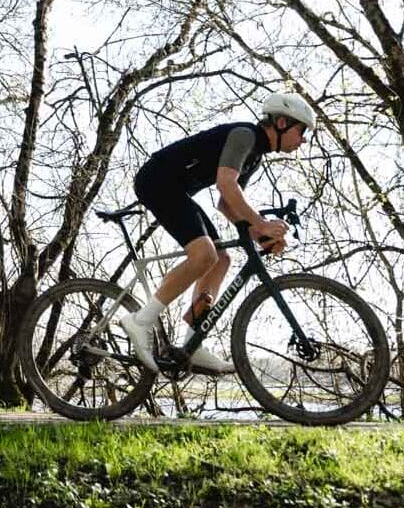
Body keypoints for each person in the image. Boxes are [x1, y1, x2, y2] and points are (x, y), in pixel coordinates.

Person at [118, 92, 314, 373]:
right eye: (302, 130)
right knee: (204, 254)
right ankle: (140, 321)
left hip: (176, 190)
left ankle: (192, 344)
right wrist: (260, 223)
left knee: (221, 259)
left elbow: (227, 205)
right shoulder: (245, 136)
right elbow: (226, 185)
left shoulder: (255, 156)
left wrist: (261, 236)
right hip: (156, 181)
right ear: (281, 123)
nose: (304, 139)